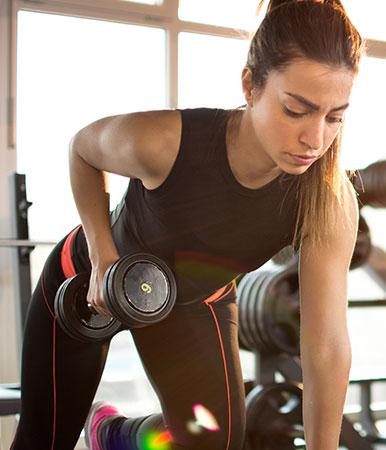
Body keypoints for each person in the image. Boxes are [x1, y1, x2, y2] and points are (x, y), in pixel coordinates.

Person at [10, 0, 363, 448]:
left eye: (335, 117)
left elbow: (326, 347)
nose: (315, 139)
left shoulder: (328, 200)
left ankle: (115, 434)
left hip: (192, 301)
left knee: (216, 442)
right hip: (90, 280)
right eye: (296, 110)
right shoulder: (166, 142)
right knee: (44, 438)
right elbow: (82, 149)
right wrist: (102, 258)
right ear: (251, 84)